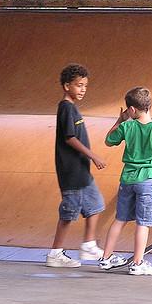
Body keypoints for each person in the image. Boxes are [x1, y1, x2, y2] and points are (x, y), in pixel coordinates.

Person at [98, 86, 152, 275]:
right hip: (148, 181)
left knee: (120, 219)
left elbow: (109, 140)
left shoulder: (127, 126)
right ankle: (137, 263)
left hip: (127, 179)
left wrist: (120, 120)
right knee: (143, 223)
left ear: (132, 109)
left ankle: (106, 258)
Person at [46, 63, 107, 268]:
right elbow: (69, 138)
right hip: (71, 171)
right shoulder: (66, 108)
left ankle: (89, 245)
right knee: (69, 213)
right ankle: (55, 253)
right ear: (67, 86)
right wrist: (93, 156)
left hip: (81, 171)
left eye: (85, 86)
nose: (83, 89)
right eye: (79, 85)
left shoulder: (72, 108)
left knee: (96, 204)